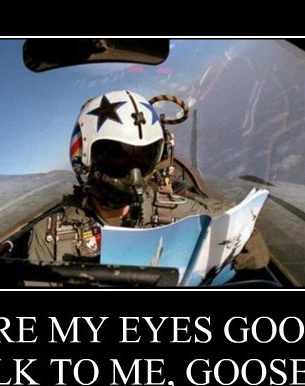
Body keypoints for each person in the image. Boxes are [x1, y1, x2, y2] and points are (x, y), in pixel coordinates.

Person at [28, 90, 269, 281]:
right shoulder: (51, 237)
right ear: (84, 159)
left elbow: (224, 215)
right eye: (118, 159)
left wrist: (244, 235)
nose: (135, 179)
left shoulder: (174, 211)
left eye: (143, 161)